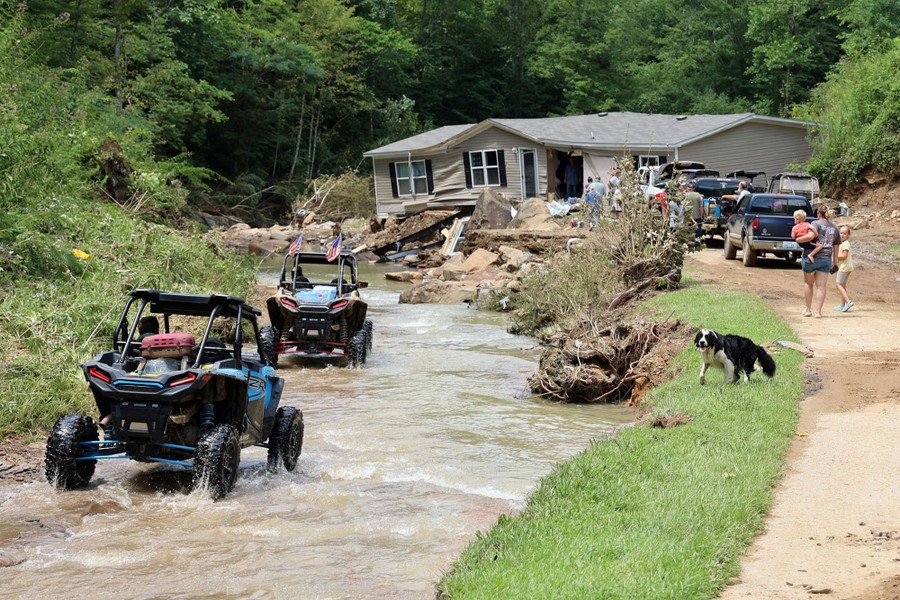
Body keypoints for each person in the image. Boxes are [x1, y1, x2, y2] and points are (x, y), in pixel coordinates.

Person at [796, 205, 840, 318]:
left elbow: (810, 236)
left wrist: (798, 239)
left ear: (818, 214)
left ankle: (808, 310)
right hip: (826, 259)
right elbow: (836, 247)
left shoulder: (815, 224)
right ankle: (818, 312)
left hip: (811, 258)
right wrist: (835, 263)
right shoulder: (835, 228)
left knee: (808, 283)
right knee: (821, 286)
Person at [834, 225, 854, 312]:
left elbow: (844, 256)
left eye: (845, 233)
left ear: (848, 235)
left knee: (838, 284)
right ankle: (842, 305)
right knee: (842, 285)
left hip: (844, 267)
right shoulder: (843, 243)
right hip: (847, 266)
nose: (842, 235)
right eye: (841, 233)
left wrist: (835, 257)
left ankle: (848, 301)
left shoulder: (845, 243)